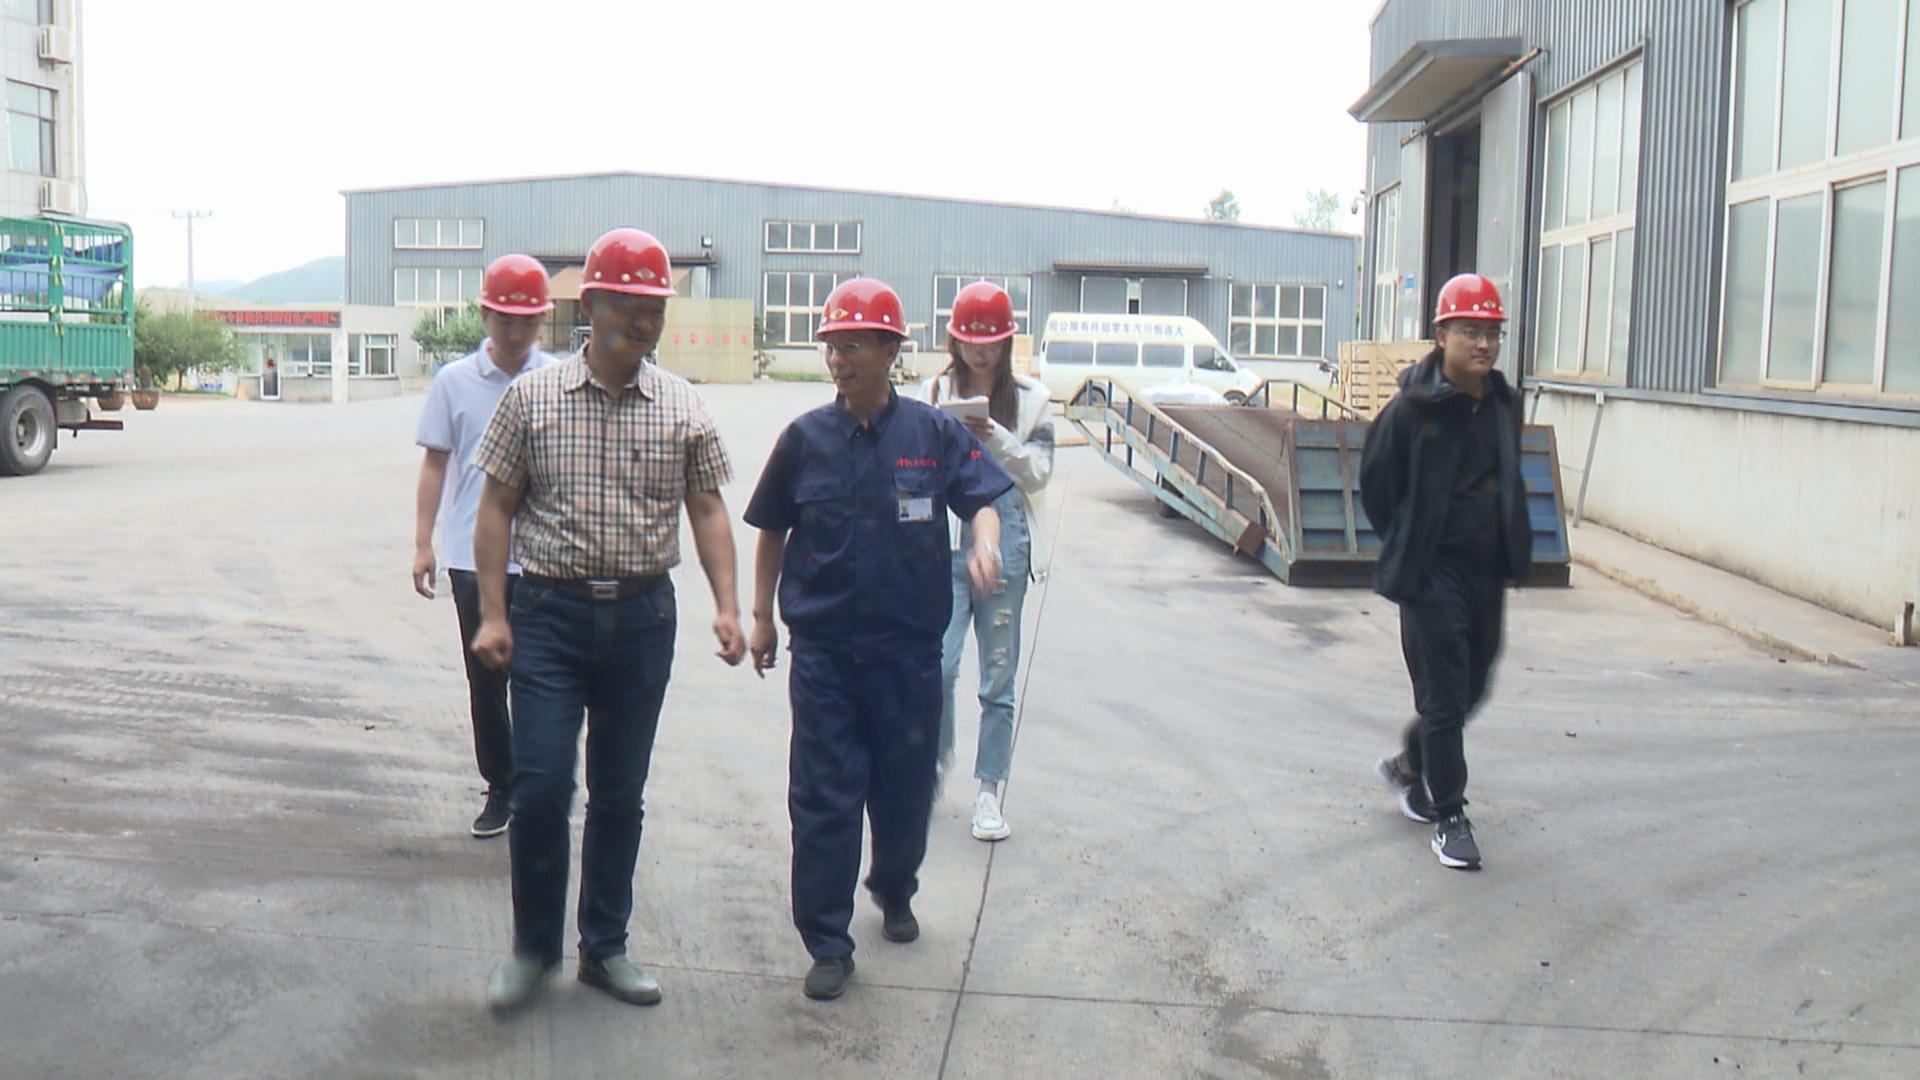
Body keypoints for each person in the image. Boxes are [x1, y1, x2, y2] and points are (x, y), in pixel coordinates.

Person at [467, 227, 748, 1011]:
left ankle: (605, 947)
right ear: (590, 305)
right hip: (548, 617)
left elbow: (708, 510)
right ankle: (532, 951)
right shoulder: (533, 399)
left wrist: (728, 606)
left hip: (642, 619)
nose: (645, 322)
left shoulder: (682, 405)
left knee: (620, 793)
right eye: (629, 306)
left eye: (656, 308)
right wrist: (493, 614)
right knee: (540, 787)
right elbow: (496, 508)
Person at [744, 277, 1012, 1001]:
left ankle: (894, 887)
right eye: (832, 346)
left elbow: (983, 500)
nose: (840, 360)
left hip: (907, 657)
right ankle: (827, 940)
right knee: (823, 801)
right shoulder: (804, 439)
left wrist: (985, 545)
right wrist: (763, 616)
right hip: (825, 657)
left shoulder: (932, 434)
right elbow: (772, 530)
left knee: (903, 793)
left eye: (854, 346)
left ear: (891, 351)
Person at [1359, 273, 1532, 871]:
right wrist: (1412, 542)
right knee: (1442, 696)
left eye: (1492, 333)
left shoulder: (1503, 404)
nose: (1483, 345)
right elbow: (1377, 485)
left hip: (1486, 573)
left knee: (1472, 687)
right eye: (1470, 332)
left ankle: (1410, 764)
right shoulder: (1412, 410)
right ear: (1441, 336)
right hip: (1431, 575)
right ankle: (1450, 815)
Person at [412, 253, 557, 838]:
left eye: (528, 322)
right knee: (487, 679)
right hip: (472, 559)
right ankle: (500, 785)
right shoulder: (454, 382)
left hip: (546, 557)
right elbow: (435, 463)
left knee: (543, 679)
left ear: (543, 320)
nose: (517, 333)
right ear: (484, 316)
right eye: (506, 321)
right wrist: (423, 543)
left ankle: (540, 787)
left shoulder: (559, 380)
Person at [920, 281, 1054, 841]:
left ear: (1007, 342)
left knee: (998, 674)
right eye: (970, 342)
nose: (981, 352)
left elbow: (1040, 472)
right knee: (938, 666)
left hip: (1007, 535)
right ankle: (930, 770)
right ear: (954, 341)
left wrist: (996, 437)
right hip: (942, 538)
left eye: (992, 342)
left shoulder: (1031, 398)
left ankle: (988, 792)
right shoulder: (933, 391)